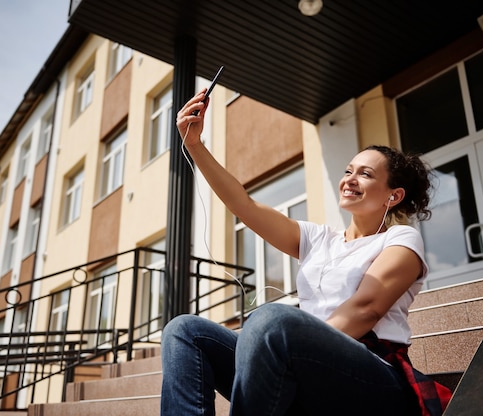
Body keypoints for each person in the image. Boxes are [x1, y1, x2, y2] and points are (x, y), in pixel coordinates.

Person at [160, 89, 451, 416]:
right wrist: (194, 146)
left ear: (393, 196)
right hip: (299, 365)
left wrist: (285, 338)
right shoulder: (318, 238)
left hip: (370, 376)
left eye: (365, 174)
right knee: (185, 331)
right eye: (348, 170)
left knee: (270, 320)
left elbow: (366, 308)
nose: (349, 180)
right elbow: (244, 205)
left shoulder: (401, 239)